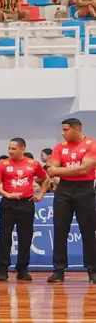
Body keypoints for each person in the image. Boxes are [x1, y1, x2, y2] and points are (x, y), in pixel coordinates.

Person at [45, 118, 96, 283]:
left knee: (88, 231)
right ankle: (58, 270)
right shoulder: (60, 147)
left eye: (66, 130)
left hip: (85, 189)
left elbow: (84, 169)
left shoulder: (91, 144)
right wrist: (62, 171)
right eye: (62, 130)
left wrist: (60, 170)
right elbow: (51, 170)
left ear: (77, 129)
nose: (63, 133)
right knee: (60, 230)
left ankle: (92, 269)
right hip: (64, 190)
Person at [0, 138, 47, 281]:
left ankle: (22, 269)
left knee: (25, 237)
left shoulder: (33, 164)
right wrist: (6, 194)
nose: (10, 151)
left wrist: (40, 194)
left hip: (26, 204)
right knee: (4, 237)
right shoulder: (2, 164)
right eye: (9, 148)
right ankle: (2, 270)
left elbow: (45, 179)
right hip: (8, 204)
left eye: (14, 149)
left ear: (23, 148)